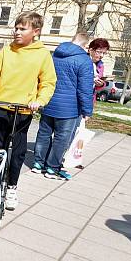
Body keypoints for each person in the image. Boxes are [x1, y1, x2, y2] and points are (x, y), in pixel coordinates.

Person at [0, 12, 57, 210]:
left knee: (17, 153)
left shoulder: (42, 54)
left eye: (22, 28)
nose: (17, 31)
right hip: (0, 107)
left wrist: (39, 101)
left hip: (23, 112)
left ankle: (12, 187)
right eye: (16, 27)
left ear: (35, 32)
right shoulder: (6, 51)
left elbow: (48, 83)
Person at [31, 32, 93, 180]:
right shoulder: (84, 60)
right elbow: (84, 89)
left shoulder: (56, 54)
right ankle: (52, 168)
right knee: (61, 138)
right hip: (69, 107)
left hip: (49, 101)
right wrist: (87, 110)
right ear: (85, 46)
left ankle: (38, 163)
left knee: (44, 133)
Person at [88, 38, 111, 106]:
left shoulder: (100, 66)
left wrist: (101, 84)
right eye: (99, 52)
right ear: (91, 50)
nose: (102, 56)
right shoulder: (82, 62)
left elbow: (96, 87)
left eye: (104, 53)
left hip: (90, 100)